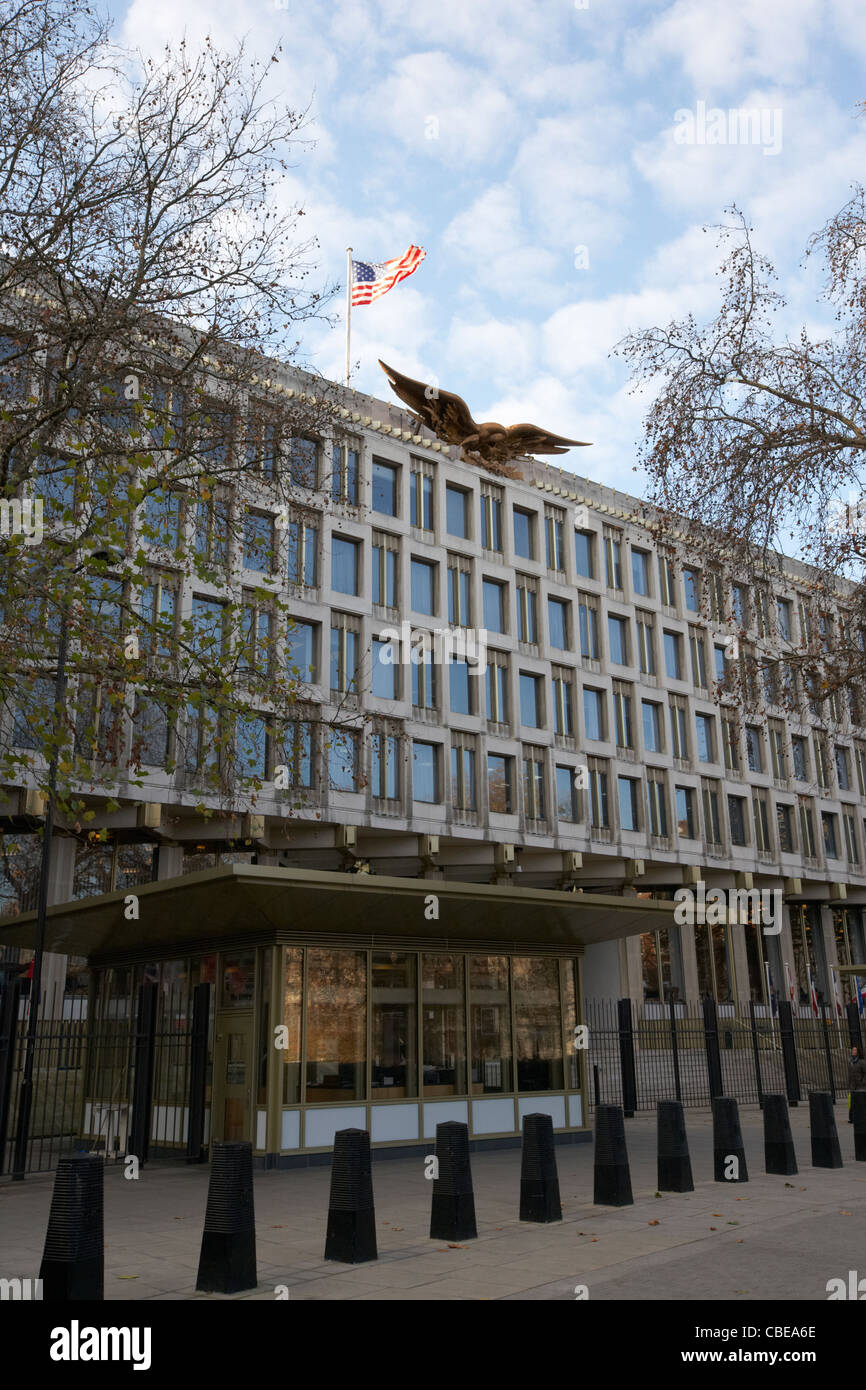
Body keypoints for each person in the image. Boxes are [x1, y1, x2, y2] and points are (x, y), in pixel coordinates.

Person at [847, 1044, 866, 1122]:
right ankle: (852, 1118)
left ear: (858, 1052)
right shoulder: (851, 1062)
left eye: (855, 1050)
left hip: (860, 1086)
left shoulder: (862, 1062)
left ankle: (860, 1117)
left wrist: (863, 1082)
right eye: (853, 1050)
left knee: (860, 1103)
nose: (853, 1051)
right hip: (852, 1085)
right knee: (853, 1102)